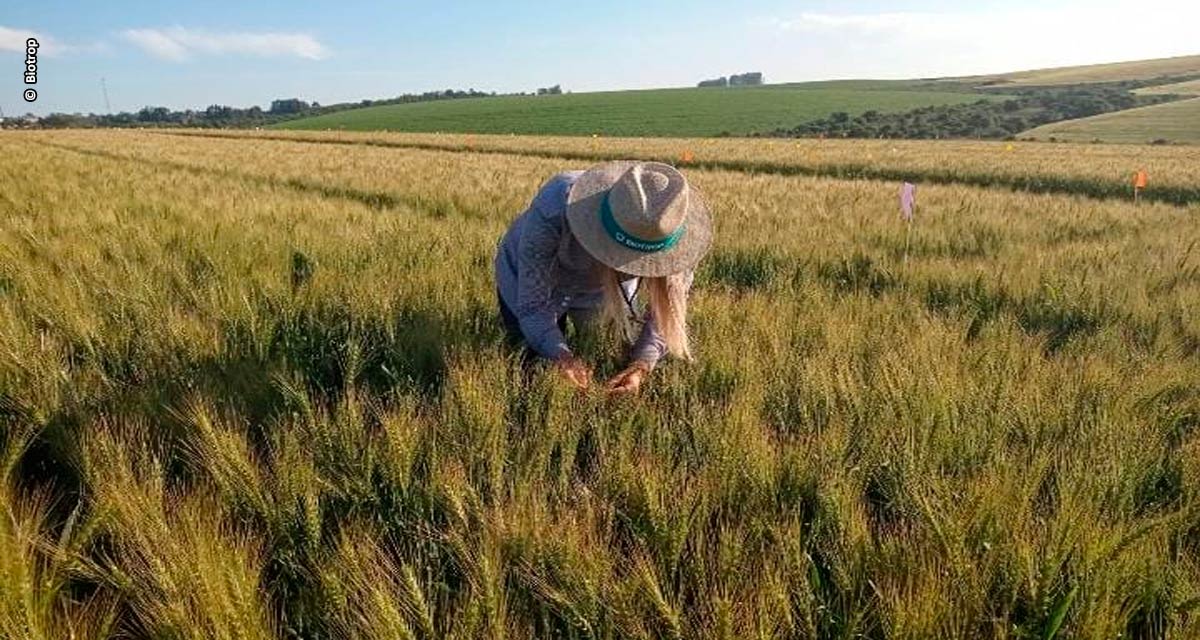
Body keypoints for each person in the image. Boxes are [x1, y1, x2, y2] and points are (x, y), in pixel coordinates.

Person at [495, 161, 713, 394]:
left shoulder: (672, 230)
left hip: (601, 290)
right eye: (627, 256)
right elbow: (533, 306)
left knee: (605, 353)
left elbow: (665, 316)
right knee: (530, 359)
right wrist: (561, 357)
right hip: (527, 275)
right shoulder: (555, 206)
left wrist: (640, 368)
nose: (632, 264)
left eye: (641, 261)